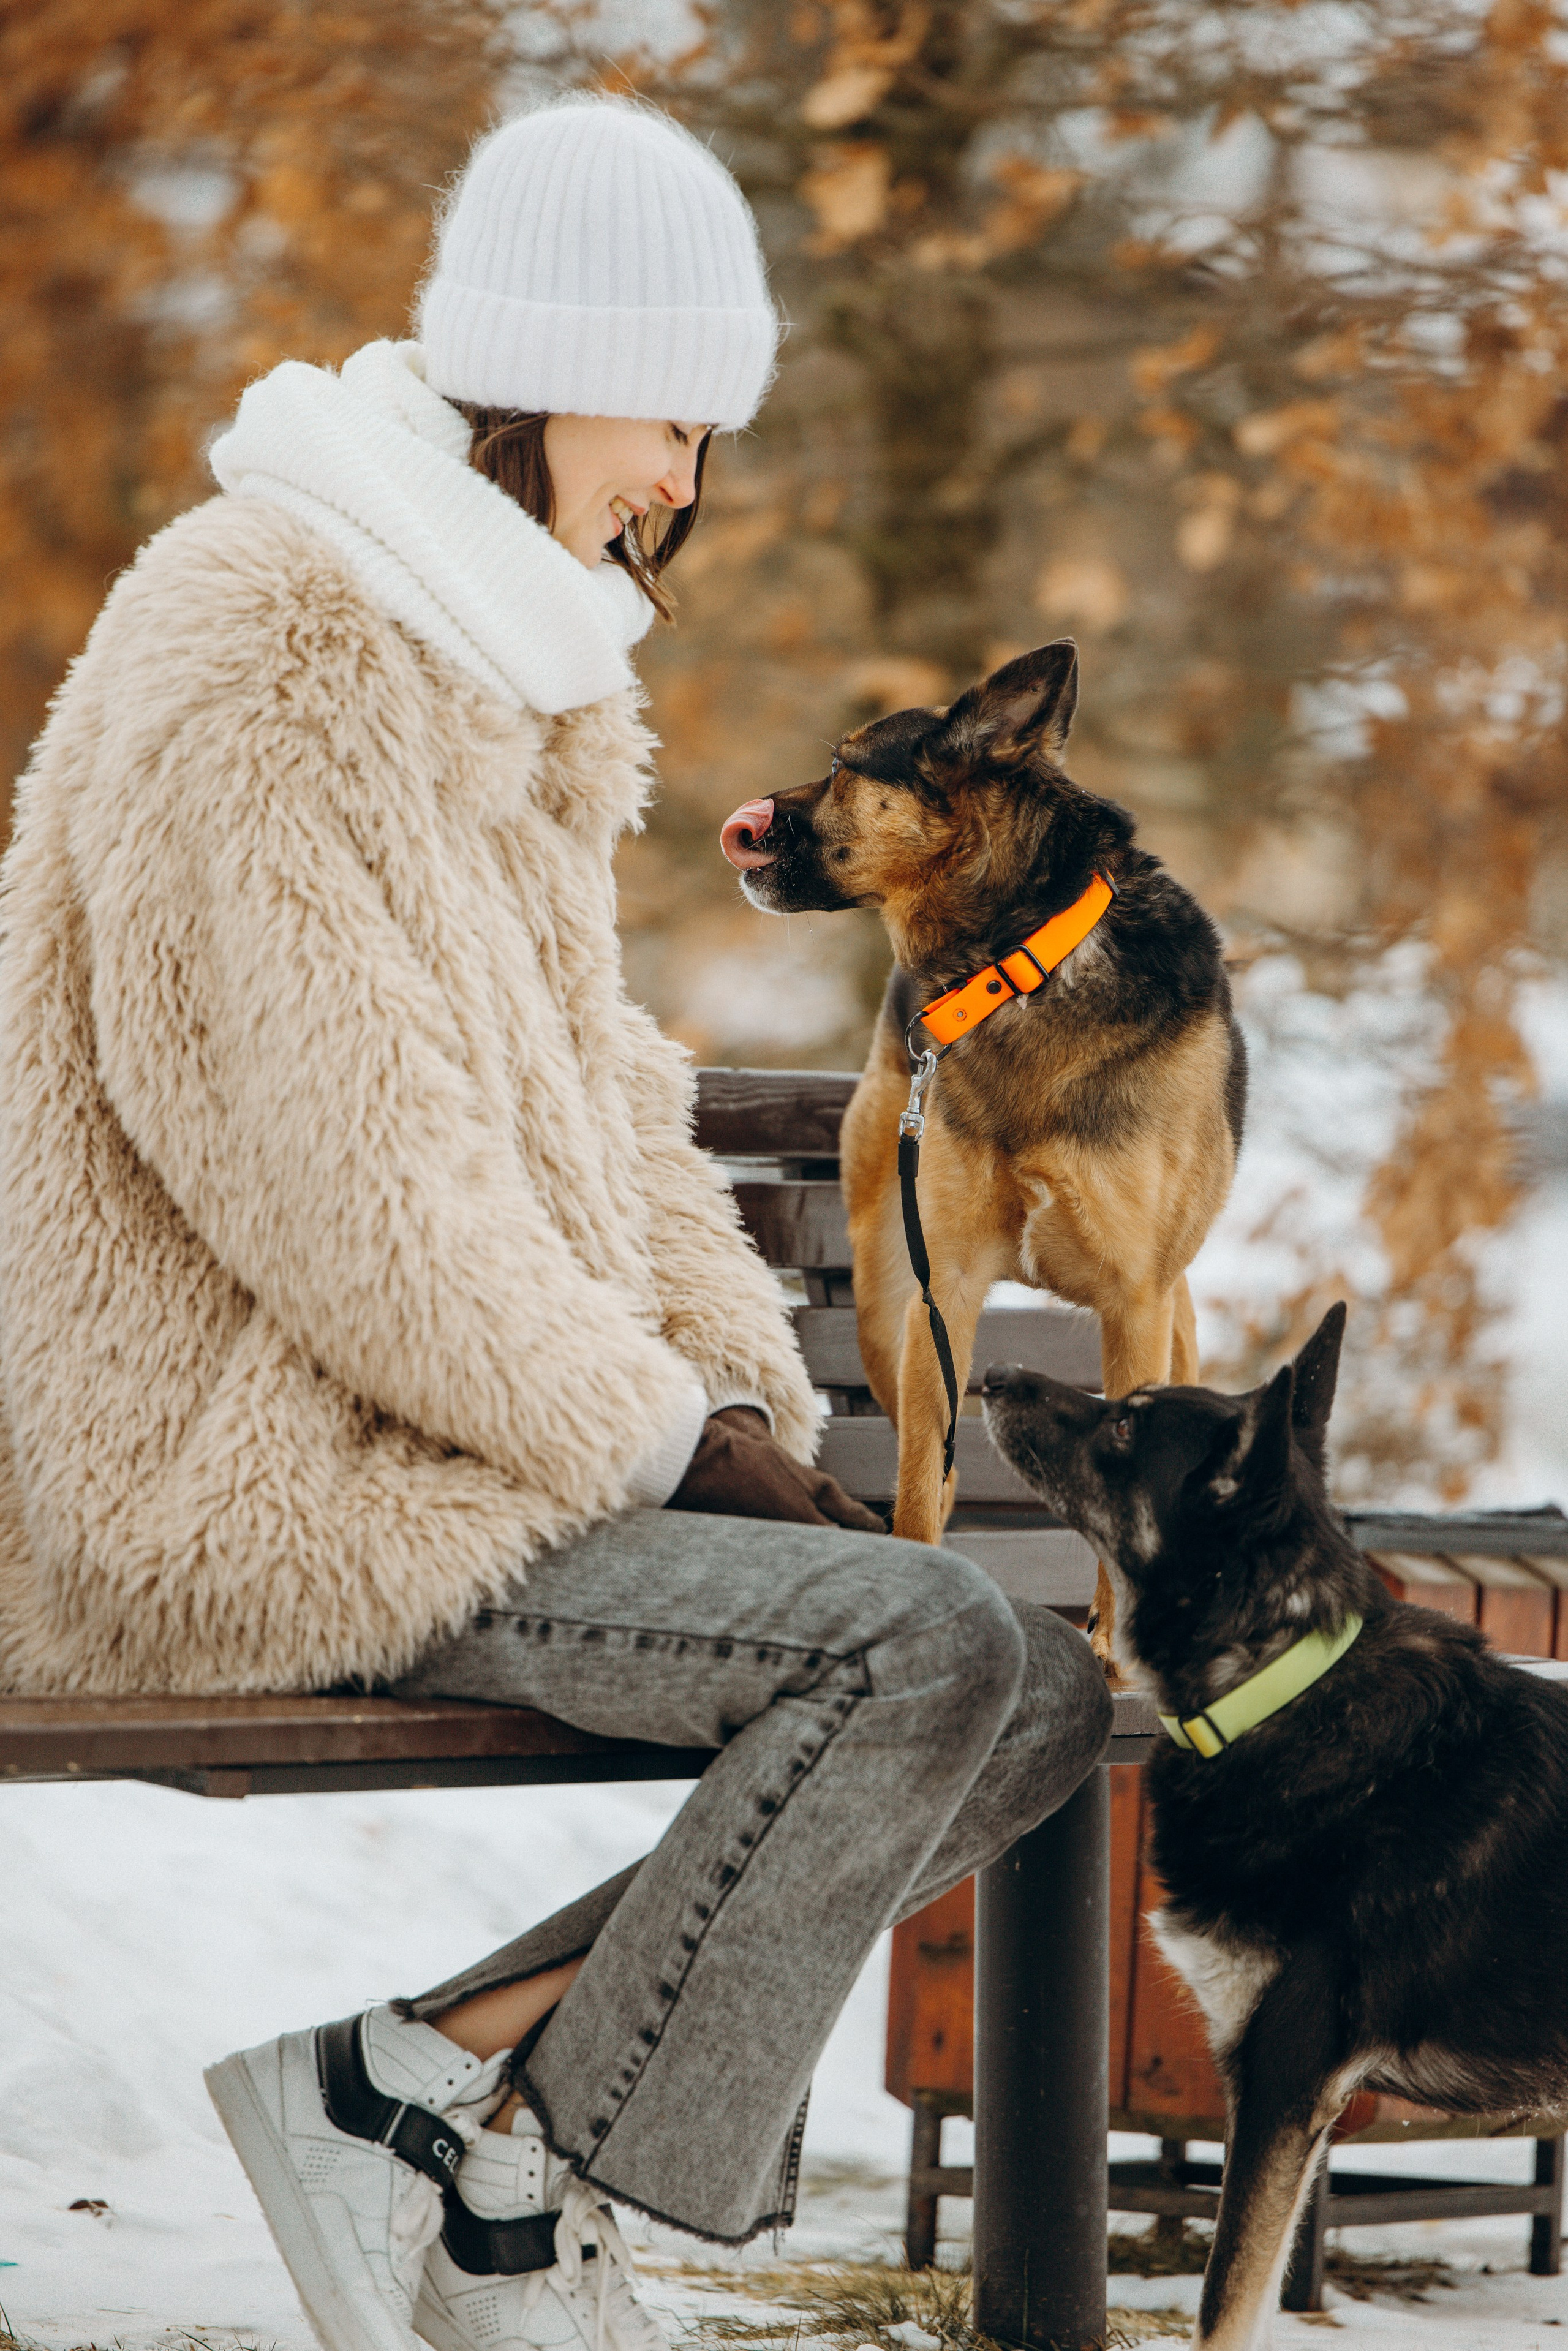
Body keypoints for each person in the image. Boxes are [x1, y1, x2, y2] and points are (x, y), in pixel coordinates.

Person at [0, 94, 1112, 2351]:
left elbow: (602, 1103)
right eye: (671, 415)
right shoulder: (271, 653)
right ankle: (489, 2180)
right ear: (537, 363)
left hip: (465, 1447)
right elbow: (344, 1184)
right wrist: (671, 1445)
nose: (686, 479)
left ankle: (453, 2108)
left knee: (1037, 1689)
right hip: (264, 1483)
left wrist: (724, 1380)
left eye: (713, 431)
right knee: (916, 1649)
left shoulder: (492, 672)